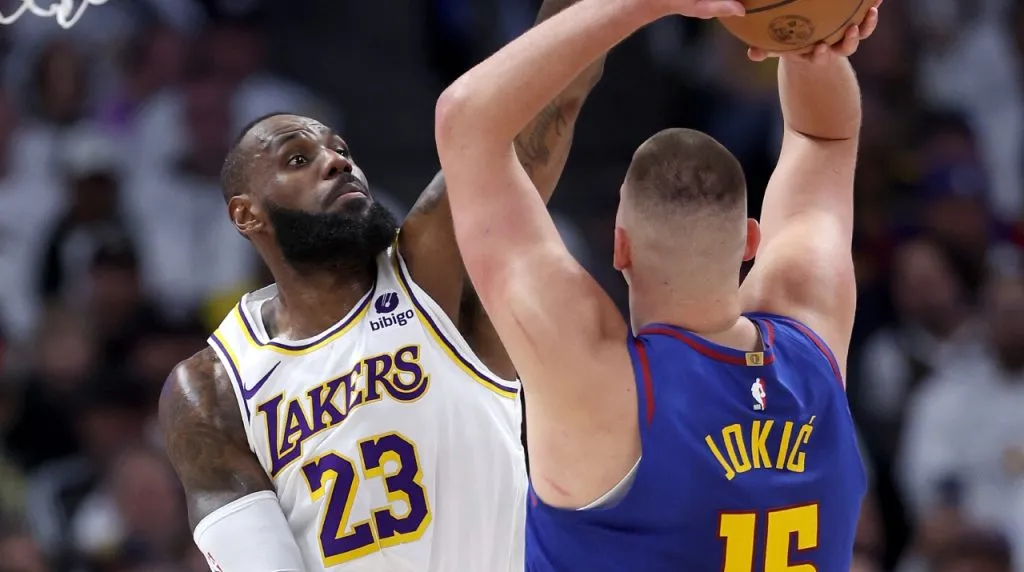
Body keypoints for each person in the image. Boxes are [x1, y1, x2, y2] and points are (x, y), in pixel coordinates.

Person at [157, 1, 607, 569]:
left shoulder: (433, 274)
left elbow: (546, 102)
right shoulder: (213, 386)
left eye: (342, 151)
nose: (336, 162)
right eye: (298, 159)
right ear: (247, 215)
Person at [434, 0, 880, 570]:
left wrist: (649, 4)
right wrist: (808, 36)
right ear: (750, 241)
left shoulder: (600, 388)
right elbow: (824, 138)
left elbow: (468, 121)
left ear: (620, 248)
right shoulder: (811, 331)